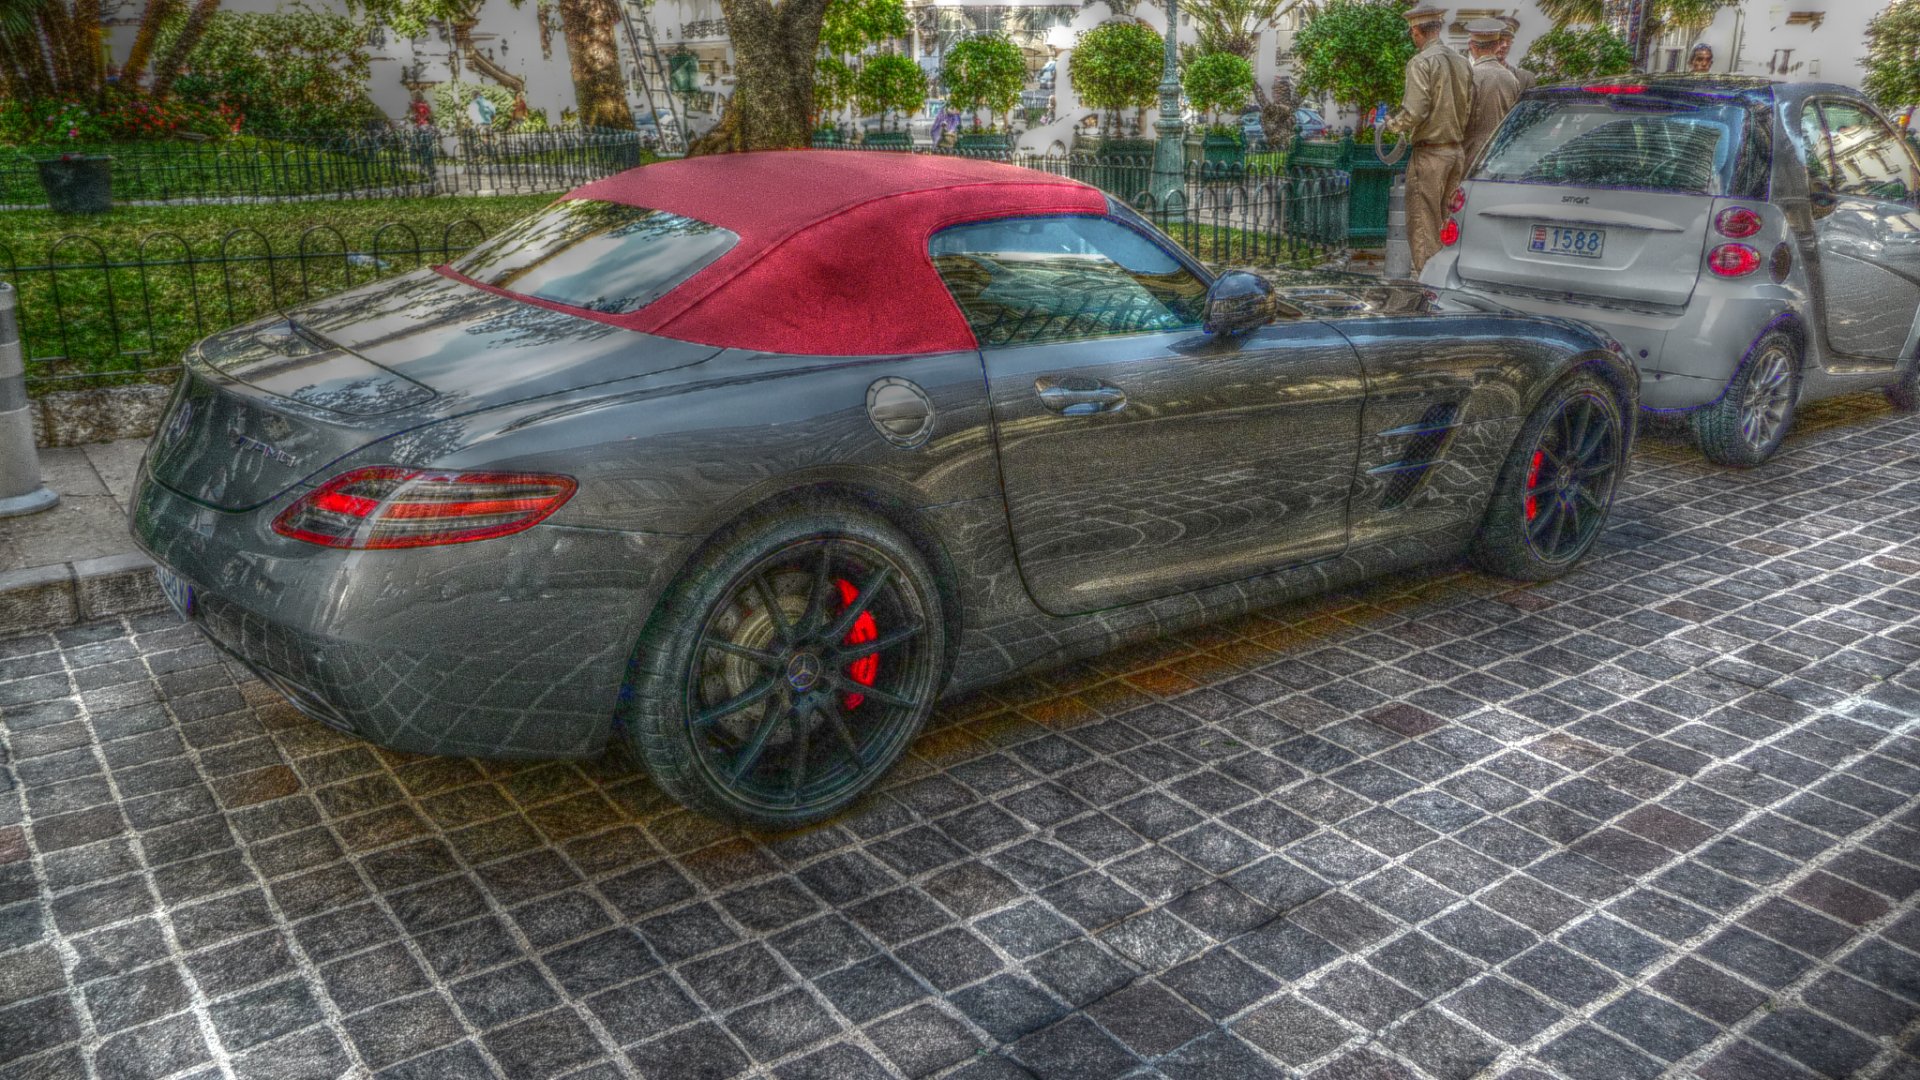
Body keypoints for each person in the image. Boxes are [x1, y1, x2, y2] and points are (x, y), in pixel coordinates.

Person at [1387, 3, 1472, 274]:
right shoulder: (1462, 62)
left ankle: (1428, 288)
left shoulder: (1421, 62)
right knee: (1449, 227)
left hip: (1430, 154)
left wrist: (1394, 124)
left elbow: (1416, 109)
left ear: (1416, 32)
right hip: (1456, 153)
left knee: (1424, 227)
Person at [1464, 20, 1520, 166]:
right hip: (1501, 153)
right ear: (1497, 46)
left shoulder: (1471, 76)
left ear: (1472, 46)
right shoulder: (1511, 78)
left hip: (1473, 153)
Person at [1498, 17, 1538, 92]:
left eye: (1508, 41)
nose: (1504, 45)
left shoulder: (1525, 78)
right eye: (1500, 40)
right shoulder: (1474, 75)